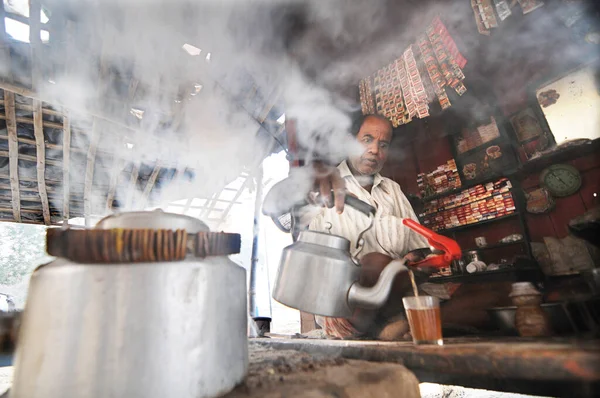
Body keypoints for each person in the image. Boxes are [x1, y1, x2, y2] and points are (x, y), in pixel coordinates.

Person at [304, 114, 512, 340]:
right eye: (367, 139)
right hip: (349, 309)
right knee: (375, 264)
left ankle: (404, 326)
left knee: (497, 294)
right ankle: (412, 323)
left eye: (383, 145)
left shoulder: (392, 190)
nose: (374, 150)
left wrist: (424, 260)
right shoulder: (324, 184)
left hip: (399, 299)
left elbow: (418, 252)